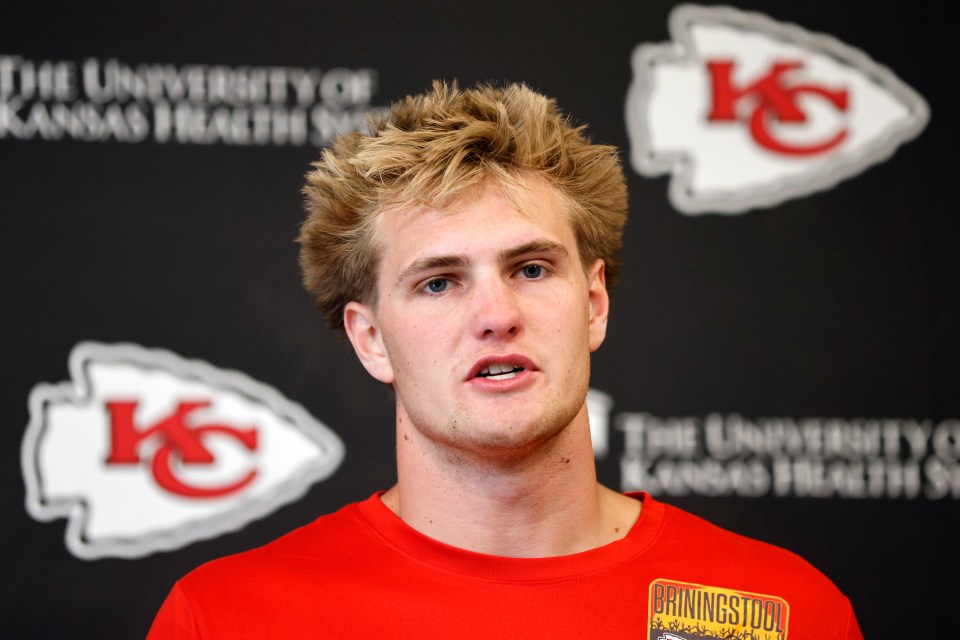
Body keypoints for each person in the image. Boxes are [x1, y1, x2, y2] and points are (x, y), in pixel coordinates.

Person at [147, 81, 862, 639]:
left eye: (529, 269)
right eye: (438, 282)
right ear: (370, 339)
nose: (496, 316)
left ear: (594, 303)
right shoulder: (228, 618)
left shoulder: (785, 610)